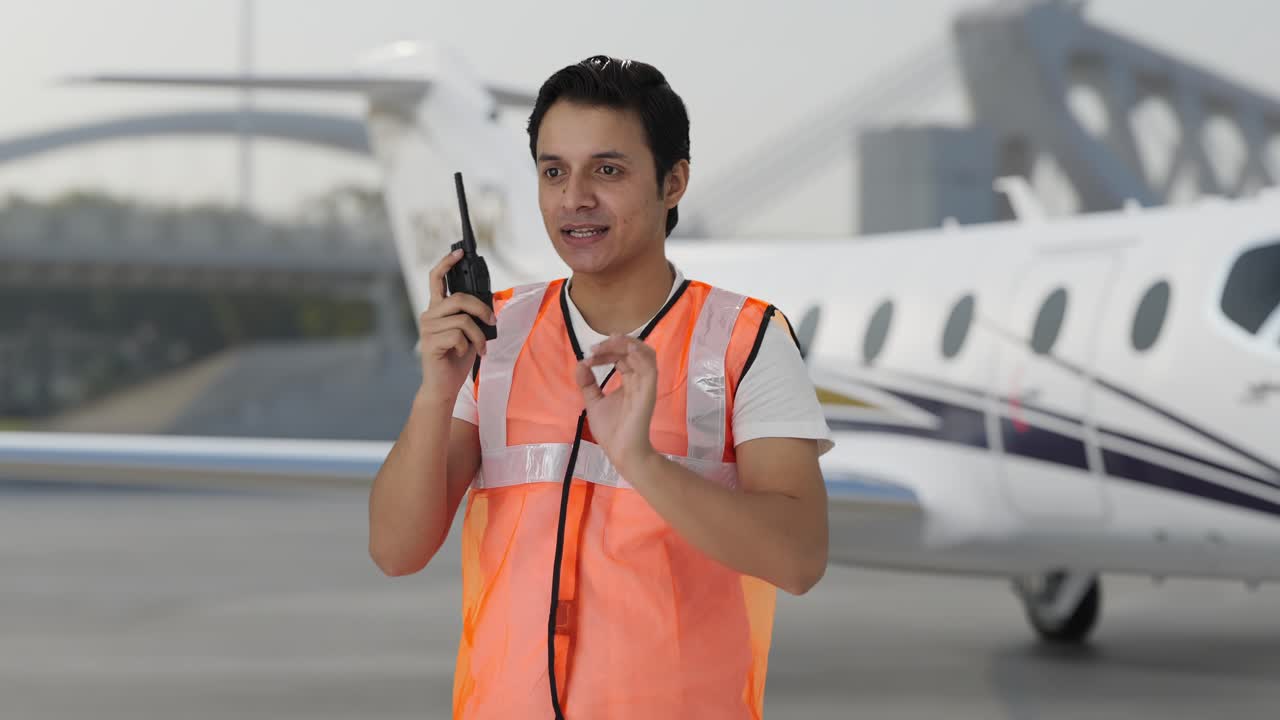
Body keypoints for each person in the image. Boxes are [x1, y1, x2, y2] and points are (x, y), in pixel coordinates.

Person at [369, 54, 833, 720]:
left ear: (673, 182)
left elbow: (798, 559)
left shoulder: (747, 340)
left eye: (607, 171)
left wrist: (640, 462)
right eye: (554, 171)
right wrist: (435, 394)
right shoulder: (496, 337)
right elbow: (394, 550)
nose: (574, 199)